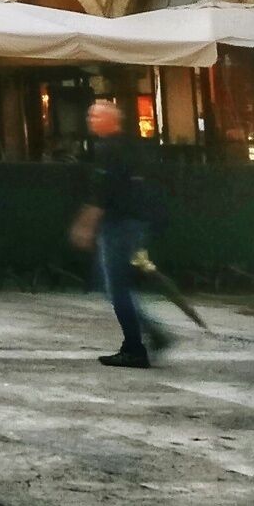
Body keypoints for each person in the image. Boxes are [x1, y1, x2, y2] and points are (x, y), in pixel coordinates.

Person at [71, 98, 168, 368]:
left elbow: (101, 193)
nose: (91, 120)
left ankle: (137, 347)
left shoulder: (108, 150)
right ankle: (147, 336)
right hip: (134, 222)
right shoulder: (130, 146)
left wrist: (85, 225)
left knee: (116, 287)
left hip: (119, 225)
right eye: (90, 116)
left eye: (96, 116)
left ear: (111, 120)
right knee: (118, 285)